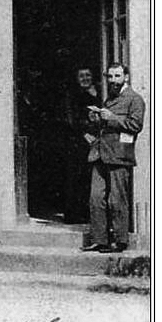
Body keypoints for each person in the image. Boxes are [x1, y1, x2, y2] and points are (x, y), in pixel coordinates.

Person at [81, 63, 145, 254]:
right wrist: (97, 118)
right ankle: (99, 240)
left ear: (125, 77)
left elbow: (135, 125)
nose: (113, 81)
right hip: (100, 153)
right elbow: (107, 123)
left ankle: (120, 240)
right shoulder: (111, 98)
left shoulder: (135, 99)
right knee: (95, 198)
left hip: (118, 155)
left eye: (117, 76)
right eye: (110, 77)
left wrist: (111, 117)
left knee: (116, 199)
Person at [63, 67, 100, 223]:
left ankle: (89, 214)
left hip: (97, 139)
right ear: (76, 79)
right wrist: (83, 133)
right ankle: (73, 215)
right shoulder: (72, 95)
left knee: (92, 177)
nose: (85, 78)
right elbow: (70, 117)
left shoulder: (99, 92)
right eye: (81, 76)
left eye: (88, 75)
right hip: (78, 141)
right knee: (77, 177)